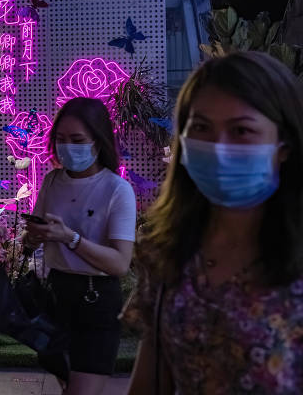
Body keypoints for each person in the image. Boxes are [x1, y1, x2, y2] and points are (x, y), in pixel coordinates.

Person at [123, 51, 303, 394]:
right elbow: (149, 382)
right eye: (202, 128)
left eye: (241, 130)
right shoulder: (167, 251)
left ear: (285, 145)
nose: (219, 148)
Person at [23, 96, 137, 395]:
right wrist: (34, 236)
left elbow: (120, 263)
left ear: (97, 142)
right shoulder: (52, 181)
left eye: (77, 139)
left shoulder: (117, 189)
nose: (68, 147)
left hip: (96, 301)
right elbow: (36, 235)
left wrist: (69, 238)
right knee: (67, 385)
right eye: (61, 139)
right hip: (56, 297)